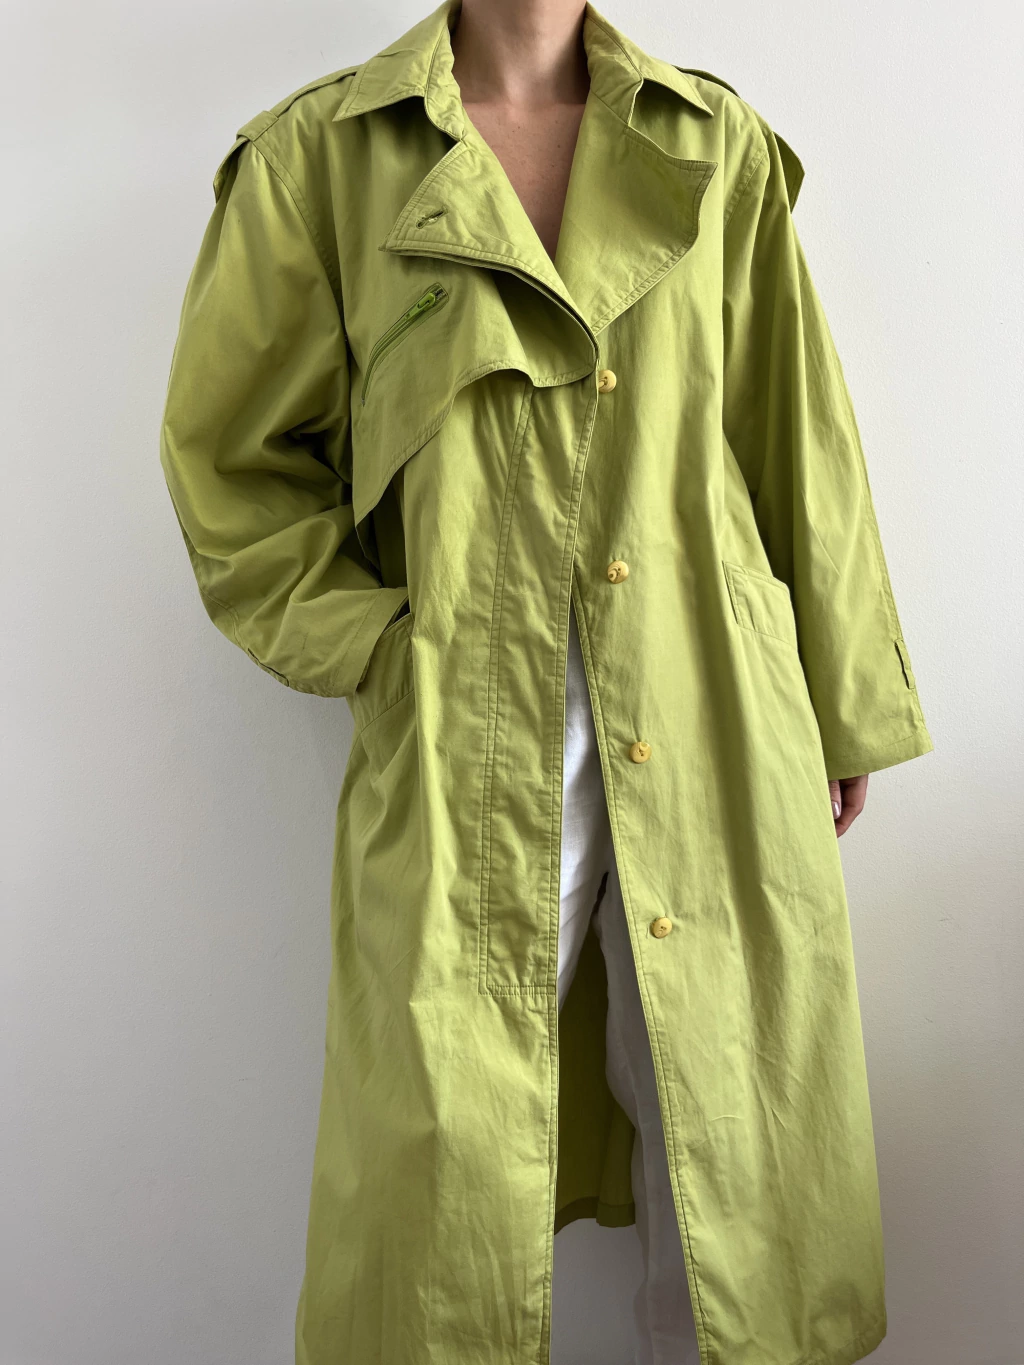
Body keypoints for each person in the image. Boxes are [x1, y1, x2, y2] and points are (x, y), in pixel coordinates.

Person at [159, 1, 934, 1363]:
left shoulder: (710, 141)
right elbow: (232, 465)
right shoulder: (321, 160)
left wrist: (840, 696)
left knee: (728, 1124)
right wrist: (376, 645)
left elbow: (797, 433)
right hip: (463, 726)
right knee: (440, 1150)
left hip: (712, 702)